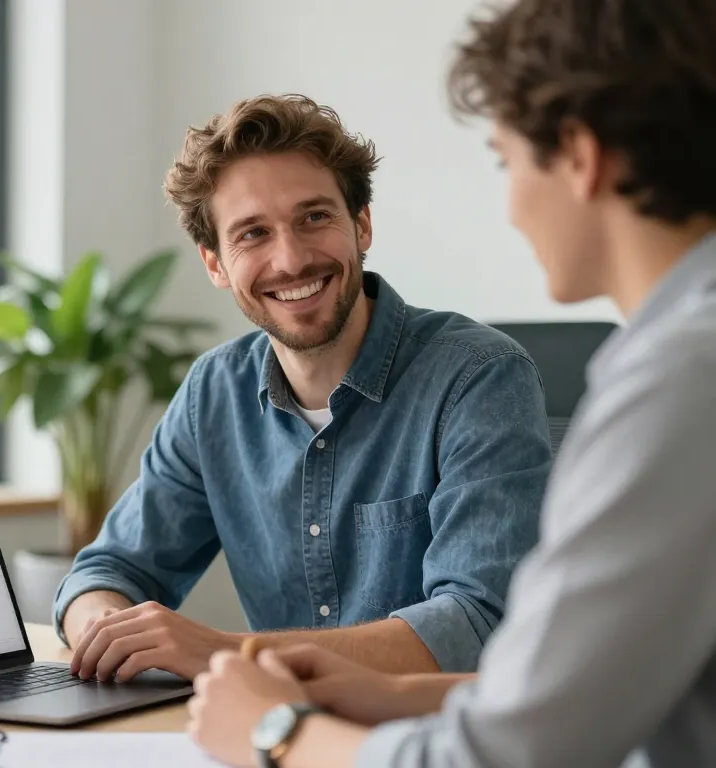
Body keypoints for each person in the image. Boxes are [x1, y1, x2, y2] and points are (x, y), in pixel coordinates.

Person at [187, 1, 716, 766]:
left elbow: (509, 757)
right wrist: (394, 692)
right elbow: (575, 694)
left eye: (506, 161)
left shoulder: (680, 381)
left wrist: (277, 735)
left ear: (578, 155)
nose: (509, 207)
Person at [56, 94, 553, 684]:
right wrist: (107, 628)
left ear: (361, 224)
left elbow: (476, 625)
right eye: (252, 234)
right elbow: (107, 570)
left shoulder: (478, 376)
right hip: (272, 735)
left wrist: (223, 654)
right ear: (215, 264)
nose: (290, 260)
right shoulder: (213, 394)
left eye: (314, 217)